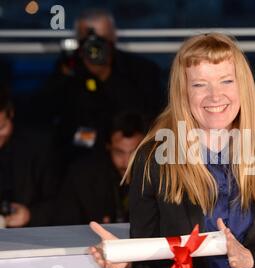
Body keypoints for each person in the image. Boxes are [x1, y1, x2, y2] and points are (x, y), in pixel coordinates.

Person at [89, 33, 255, 268]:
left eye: (226, 80)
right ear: (183, 92)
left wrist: (249, 259)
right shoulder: (155, 158)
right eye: (200, 84)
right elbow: (147, 266)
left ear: (243, 87)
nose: (215, 95)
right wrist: (123, 261)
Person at [38, 8, 163, 168]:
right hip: (81, 159)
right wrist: (68, 73)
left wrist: (106, 76)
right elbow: (46, 113)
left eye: (100, 40)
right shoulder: (69, 69)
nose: (94, 48)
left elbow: (149, 115)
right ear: (78, 42)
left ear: (113, 38)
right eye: (87, 41)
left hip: (132, 156)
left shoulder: (141, 70)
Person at [54, 111, 145, 225]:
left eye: (134, 153)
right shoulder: (82, 176)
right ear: (108, 147)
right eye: (119, 152)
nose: (127, 162)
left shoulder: (160, 175)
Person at [0, 86, 58, 227]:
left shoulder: (38, 147)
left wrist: (30, 215)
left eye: (0, 128)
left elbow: (60, 199)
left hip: (30, 237)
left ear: (11, 114)